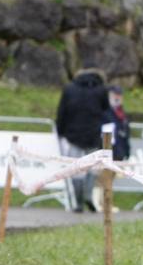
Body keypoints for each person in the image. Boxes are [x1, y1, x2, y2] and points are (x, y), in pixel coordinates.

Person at [55, 67, 108, 212]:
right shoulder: (101, 89)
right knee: (92, 167)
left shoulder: (69, 88)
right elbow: (106, 110)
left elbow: (62, 111)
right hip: (93, 134)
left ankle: (78, 202)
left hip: (73, 135)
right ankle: (88, 194)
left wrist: (60, 132)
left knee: (75, 168)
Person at [91, 85, 131, 214]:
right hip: (105, 150)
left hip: (118, 151)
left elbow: (125, 133)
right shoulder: (104, 111)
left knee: (110, 179)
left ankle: (106, 204)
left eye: (119, 95)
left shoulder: (121, 113)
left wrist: (126, 151)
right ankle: (97, 204)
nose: (117, 97)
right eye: (115, 95)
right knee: (101, 179)